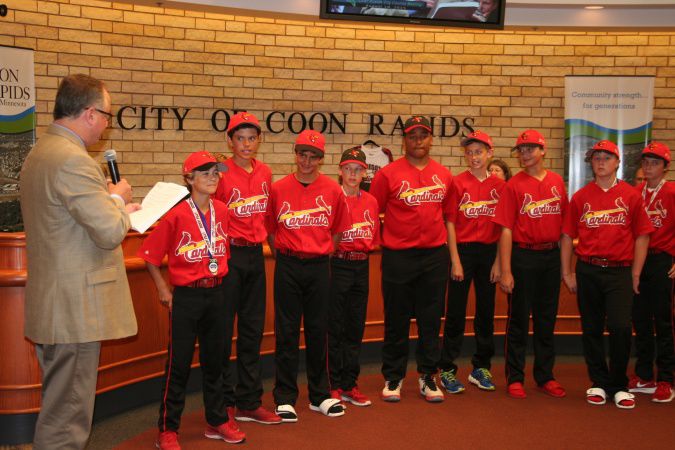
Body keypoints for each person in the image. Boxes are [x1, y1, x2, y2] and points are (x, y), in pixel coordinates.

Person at [19, 73, 139, 449]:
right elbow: (108, 231)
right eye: (106, 115)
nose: (106, 124)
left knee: (59, 409)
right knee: (67, 419)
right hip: (75, 312)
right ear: (89, 113)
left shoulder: (42, 151)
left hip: (57, 305)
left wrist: (106, 203)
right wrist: (117, 199)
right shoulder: (74, 161)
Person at [139, 151, 245, 448]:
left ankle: (217, 419)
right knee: (179, 365)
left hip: (218, 293)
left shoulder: (223, 210)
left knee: (217, 362)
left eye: (216, 172)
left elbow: (222, 249)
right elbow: (149, 255)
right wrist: (162, 288)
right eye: (205, 172)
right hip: (186, 296)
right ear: (188, 179)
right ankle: (168, 428)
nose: (213, 177)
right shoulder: (176, 214)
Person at [561, 140, 653, 409]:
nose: (600, 162)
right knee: (591, 328)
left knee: (621, 327)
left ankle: (619, 384)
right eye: (596, 158)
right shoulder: (581, 197)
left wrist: (636, 273)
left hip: (620, 271)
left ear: (617, 162)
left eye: (606, 157)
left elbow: (643, 235)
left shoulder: (631, 195)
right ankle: (598, 382)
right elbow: (567, 235)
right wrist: (567, 271)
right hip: (588, 268)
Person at [266, 130, 349, 421]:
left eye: (313, 156)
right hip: (287, 265)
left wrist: (318, 251)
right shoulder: (278, 189)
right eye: (303, 154)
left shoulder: (333, 190)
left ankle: (320, 395)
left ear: (321, 160)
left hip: (318, 266)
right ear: (296, 154)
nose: (307, 161)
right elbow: (272, 232)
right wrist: (290, 255)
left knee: (320, 329)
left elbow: (337, 231)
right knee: (286, 331)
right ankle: (285, 396)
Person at [370, 116, 452, 403]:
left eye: (423, 136)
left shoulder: (443, 174)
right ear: (404, 140)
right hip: (398, 257)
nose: (418, 141)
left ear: (430, 140)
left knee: (431, 320)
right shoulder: (388, 174)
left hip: (433, 256)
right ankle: (393, 376)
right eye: (412, 136)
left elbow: (449, 214)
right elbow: (371, 210)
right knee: (397, 319)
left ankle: (428, 376)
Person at [214, 112, 281, 424]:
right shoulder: (220, 172)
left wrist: (276, 247)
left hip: (255, 254)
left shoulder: (265, 172)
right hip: (229, 256)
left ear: (259, 141)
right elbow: (210, 216)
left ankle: (249, 401)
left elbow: (267, 216)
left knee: (253, 330)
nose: (246, 144)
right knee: (225, 331)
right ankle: (224, 402)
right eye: (239, 138)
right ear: (230, 141)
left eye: (251, 138)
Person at [493, 129, 568, 400]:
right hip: (522, 256)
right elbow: (505, 229)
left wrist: (564, 266)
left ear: (542, 150)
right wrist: (506, 269)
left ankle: (545, 376)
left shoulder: (558, 182)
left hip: (549, 256)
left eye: (530, 149)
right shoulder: (513, 185)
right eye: (521, 150)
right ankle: (515, 377)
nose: (524, 154)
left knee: (546, 320)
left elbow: (564, 229)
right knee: (518, 321)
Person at [439, 131, 505, 394]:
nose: (474, 157)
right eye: (469, 152)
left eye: (479, 152)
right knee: (455, 312)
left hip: (489, 252)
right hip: (462, 252)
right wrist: (455, 260)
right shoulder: (457, 183)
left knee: (486, 312)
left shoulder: (500, 187)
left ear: (489, 153)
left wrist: (500, 262)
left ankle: (481, 367)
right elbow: (450, 223)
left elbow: (503, 228)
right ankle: (447, 368)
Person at [327, 147, 380, 407]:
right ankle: (334, 384)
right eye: (348, 168)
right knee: (335, 326)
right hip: (337, 265)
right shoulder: (330, 198)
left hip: (361, 266)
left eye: (358, 169)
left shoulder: (371, 201)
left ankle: (350, 383)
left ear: (364, 173)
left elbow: (374, 237)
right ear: (340, 171)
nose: (352, 173)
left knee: (355, 327)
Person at [628, 142, 675, 403]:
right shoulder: (635, 193)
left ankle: (666, 377)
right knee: (640, 319)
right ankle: (645, 374)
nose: (649, 166)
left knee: (664, 321)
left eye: (655, 162)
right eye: (646, 162)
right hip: (637, 262)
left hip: (662, 261)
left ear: (665, 167)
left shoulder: (672, 192)